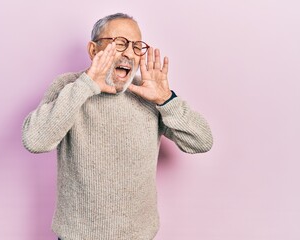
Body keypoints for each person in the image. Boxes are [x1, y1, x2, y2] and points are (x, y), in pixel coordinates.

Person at [22, 13, 213, 240]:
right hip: (77, 236)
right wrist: (86, 86)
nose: (129, 53)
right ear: (94, 50)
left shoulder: (149, 93)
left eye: (136, 46)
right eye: (120, 43)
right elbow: (35, 140)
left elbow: (202, 141)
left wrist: (166, 100)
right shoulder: (68, 87)